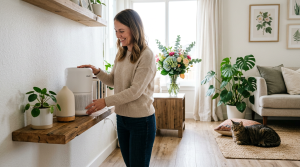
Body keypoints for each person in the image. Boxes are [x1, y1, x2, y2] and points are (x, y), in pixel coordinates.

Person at [77, 9, 156, 167]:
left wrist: (105, 101)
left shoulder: (146, 55)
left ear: (134, 29)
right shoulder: (122, 52)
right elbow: (114, 80)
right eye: (116, 31)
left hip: (141, 122)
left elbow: (135, 91)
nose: (118, 35)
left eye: (122, 31)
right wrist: (97, 71)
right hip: (122, 119)